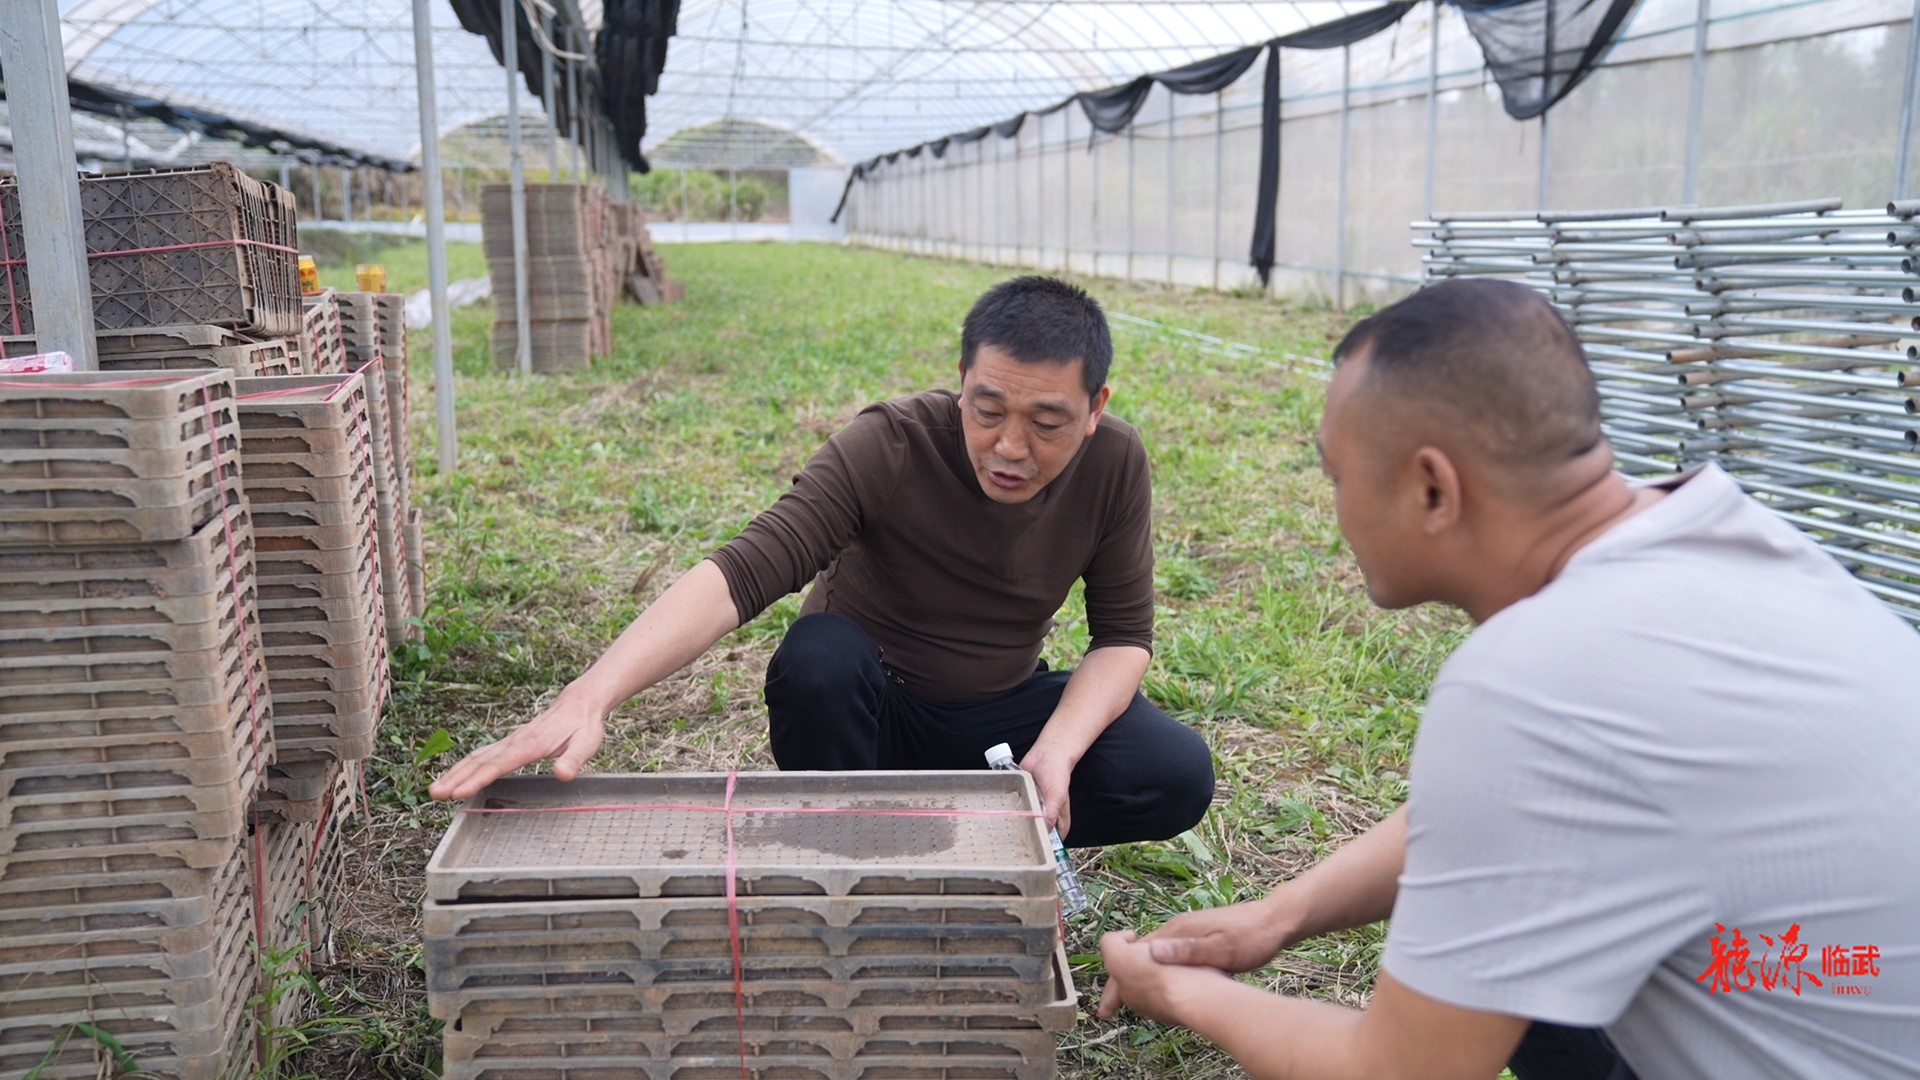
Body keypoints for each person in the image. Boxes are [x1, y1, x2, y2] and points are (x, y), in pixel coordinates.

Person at [1096, 278, 1920, 1078]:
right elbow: (1502, 816)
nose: (1338, 506)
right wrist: (1275, 919)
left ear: (1432, 489)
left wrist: (1173, 990)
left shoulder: (1533, 681)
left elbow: (1399, 1071)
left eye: (1339, 477)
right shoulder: (1721, 532)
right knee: (1505, 963)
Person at [431, 275, 1214, 848]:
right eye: (988, 410)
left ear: (1095, 409)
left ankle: (975, 825)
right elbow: (743, 572)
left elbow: (1121, 637)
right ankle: (848, 836)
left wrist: (1058, 750)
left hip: (995, 717)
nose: (1011, 447)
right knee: (819, 659)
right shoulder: (893, 443)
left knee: (1173, 773)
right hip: (870, 716)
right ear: (963, 383)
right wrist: (590, 696)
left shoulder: (1115, 462)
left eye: (1048, 422)